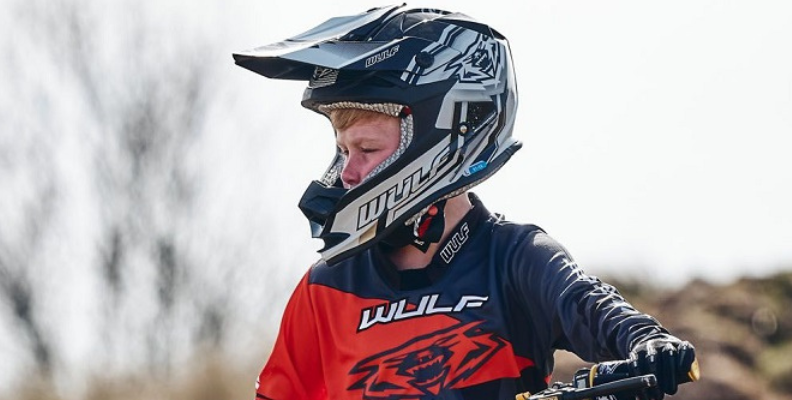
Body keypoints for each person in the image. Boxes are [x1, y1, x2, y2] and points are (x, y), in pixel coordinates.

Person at [233, 5, 698, 400]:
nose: (349, 172)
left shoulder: (515, 257)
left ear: (447, 132)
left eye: (368, 150)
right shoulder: (325, 288)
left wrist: (648, 341)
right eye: (343, 151)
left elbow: (593, 308)